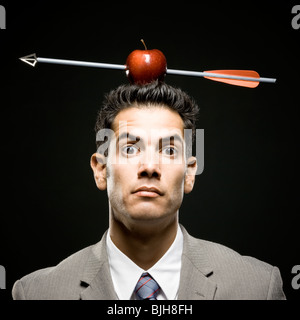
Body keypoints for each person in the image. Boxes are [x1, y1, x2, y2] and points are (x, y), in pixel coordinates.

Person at [12, 81, 286, 300]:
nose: (149, 167)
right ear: (100, 169)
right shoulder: (37, 293)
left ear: (189, 172)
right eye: (130, 149)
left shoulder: (258, 288)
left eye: (168, 150)